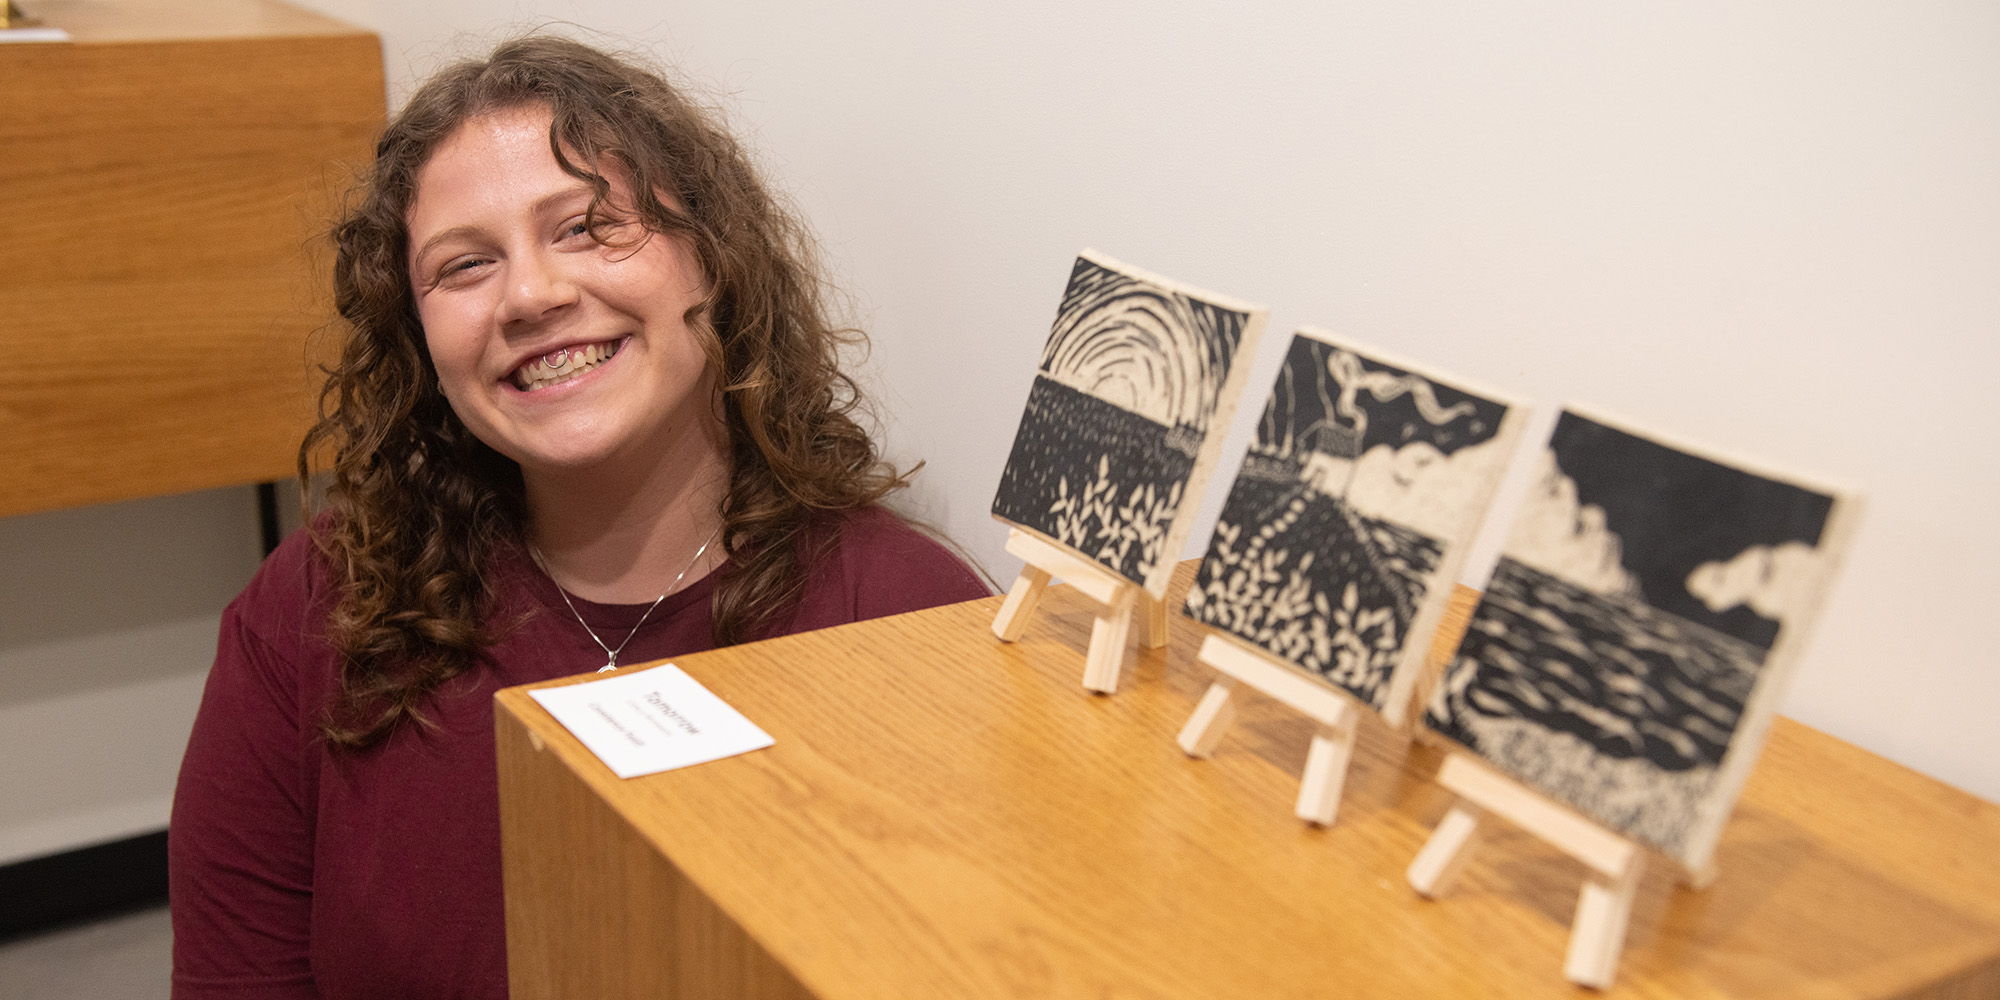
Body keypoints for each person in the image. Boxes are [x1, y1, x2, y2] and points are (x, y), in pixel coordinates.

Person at [169, 35, 989, 999]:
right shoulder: (314, 611)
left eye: (588, 227)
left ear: (712, 262)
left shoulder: (907, 616)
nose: (531, 294)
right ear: (419, 336)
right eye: (466, 265)